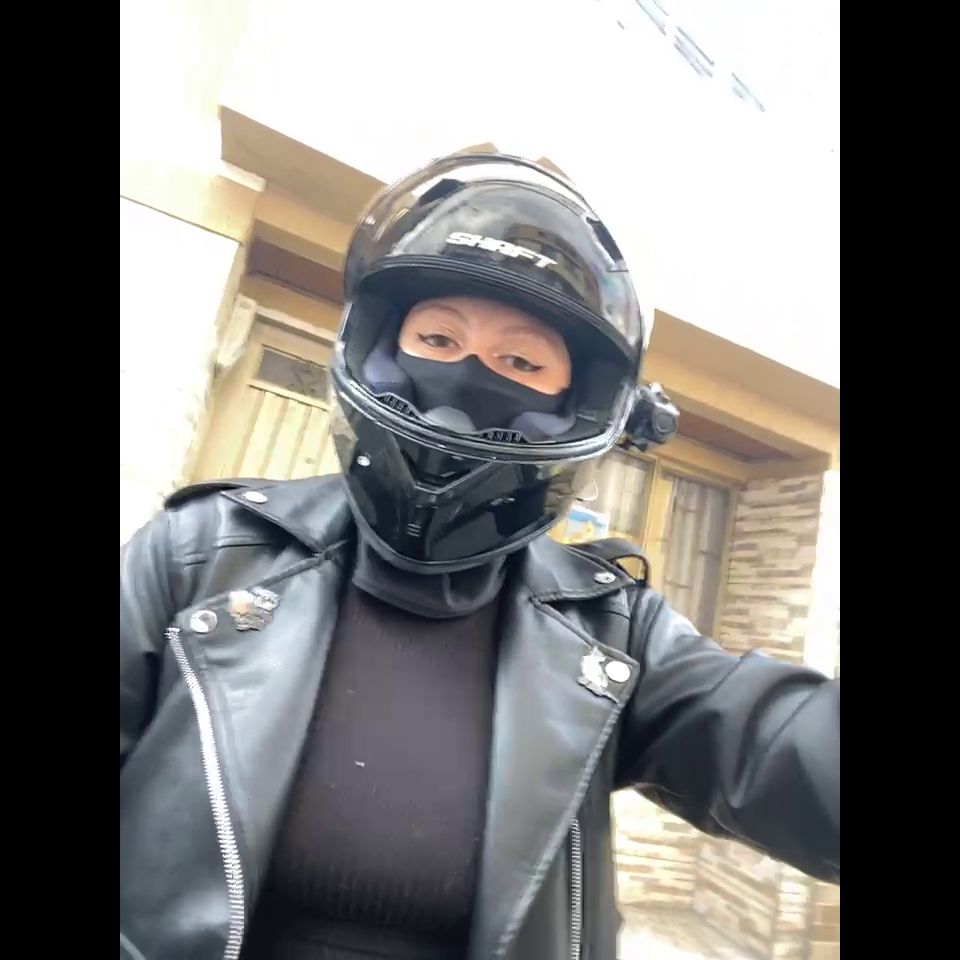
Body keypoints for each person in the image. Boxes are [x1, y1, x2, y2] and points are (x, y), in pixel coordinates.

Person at [120, 152, 839, 960]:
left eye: (521, 362)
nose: (463, 384)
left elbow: (776, 742)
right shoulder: (202, 552)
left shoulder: (610, 631)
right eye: (437, 338)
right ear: (379, 352)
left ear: (574, 406)